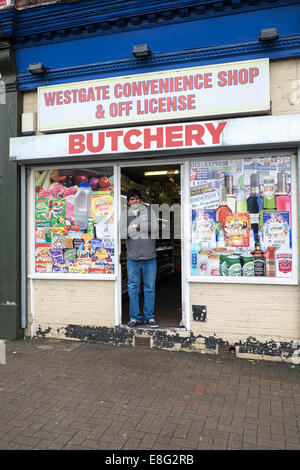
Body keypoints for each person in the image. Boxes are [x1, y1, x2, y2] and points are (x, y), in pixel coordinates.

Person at [121, 188, 159, 328]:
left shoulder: (149, 211)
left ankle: (150, 317)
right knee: (133, 288)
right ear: (128, 202)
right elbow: (122, 233)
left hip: (150, 256)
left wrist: (136, 226)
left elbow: (154, 226)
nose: (135, 201)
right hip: (133, 257)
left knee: (150, 288)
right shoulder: (125, 214)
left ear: (140, 200)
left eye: (137, 198)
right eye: (132, 199)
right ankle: (134, 318)